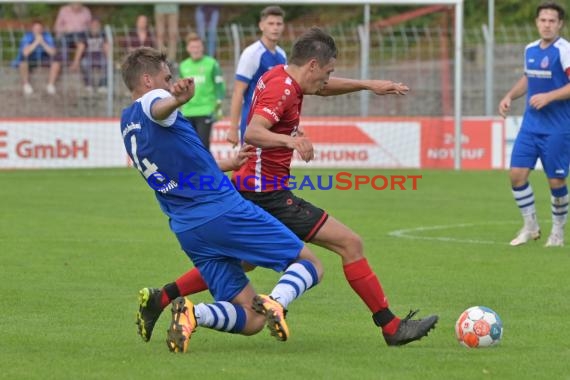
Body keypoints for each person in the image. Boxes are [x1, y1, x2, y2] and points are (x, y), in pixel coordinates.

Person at [137, 28, 439, 347]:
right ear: (311, 65)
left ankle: (161, 298)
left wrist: (367, 85)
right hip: (265, 193)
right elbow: (253, 132)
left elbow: (321, 89)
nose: (327, 79)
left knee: (240, 261)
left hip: (252, 189)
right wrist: (290, 140)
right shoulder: (282, 87)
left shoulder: (281, 75)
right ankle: (390, 326)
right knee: (349, 244)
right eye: (327, 71)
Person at [121, 47, 323, 352]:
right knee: (309, 263)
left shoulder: (126, 121)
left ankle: (193, 313)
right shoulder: (153, 101)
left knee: (252, 319)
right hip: (223, 212)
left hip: (188, 228)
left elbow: (182, 165)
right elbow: (158, 107)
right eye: (166, 77)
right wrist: (176, 99)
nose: (170, 80)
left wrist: (228, 164)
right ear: (147, 80)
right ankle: (278, 301)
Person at [498, 1, 570, 247]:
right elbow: (528, 78)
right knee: (516, 175)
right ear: (536, 23)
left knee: (556, 182)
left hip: (558, 128)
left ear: (560, 24)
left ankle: (558, 232)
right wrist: (509, 96)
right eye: (543, 20)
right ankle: (531, 226)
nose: (547, 25)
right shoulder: (530, 49)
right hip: (531, 126)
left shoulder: (564, 50)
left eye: (552, 21)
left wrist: (550, 96)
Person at [226, 5, 287, 147]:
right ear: (261, 26)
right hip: (252, 121)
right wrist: (233, 128)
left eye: (279, 24)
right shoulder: (251, 54)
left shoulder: (282, 55)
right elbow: (238, 92)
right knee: (249, 165)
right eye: (271, 24)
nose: (275, 28)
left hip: (274, 120)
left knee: (272, 166)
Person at [179, 32, 225, 150]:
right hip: (187, 112)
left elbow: (220, 87)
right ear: (188, 48)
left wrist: (218, 107)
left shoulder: (212, 63)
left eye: (198, 47)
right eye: (193, 47)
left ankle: (207, 169)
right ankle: (190, 169)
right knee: (189, 147)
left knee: (203, 146)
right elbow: (181, 89)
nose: (196, 50)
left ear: (203, 47)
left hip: (206, 110)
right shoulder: (183, 66)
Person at [52, 2, 92, 95]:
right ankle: (66, 60)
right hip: (66, 34)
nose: (77, 5)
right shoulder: (63, 10)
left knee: (81, 44)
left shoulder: (86, 11)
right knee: (64, 43)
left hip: (80, 35)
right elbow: (57, 27)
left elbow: (89, 28)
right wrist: (65, 29)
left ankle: (75, 63)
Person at [12, 20, 58, 96]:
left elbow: (53, 53)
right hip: (30, 58)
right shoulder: (27, 37)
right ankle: (26, 85)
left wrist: (42, 42)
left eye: (40, 29)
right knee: (23, 61)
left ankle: (51, 85)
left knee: (57, 61)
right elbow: (25, 53)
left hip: (43, 58)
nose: (38, 31)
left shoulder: (47, 36)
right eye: (36, 29)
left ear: (42, 29)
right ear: (32, 29)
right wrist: (36, 42)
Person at [75, 18, 109, 93]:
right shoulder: (85, 35)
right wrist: (76, 61)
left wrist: (109, 58)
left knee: (107, 63)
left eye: (97, 25)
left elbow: (106, 47)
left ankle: (102, 85)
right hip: (88, 56)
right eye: (93, 25)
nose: (95, 27)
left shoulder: (103, 34)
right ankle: (89, 85)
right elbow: (81, 47)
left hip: (100, 56)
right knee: (84, 63)